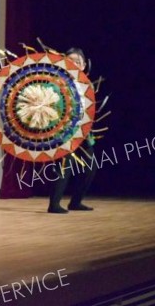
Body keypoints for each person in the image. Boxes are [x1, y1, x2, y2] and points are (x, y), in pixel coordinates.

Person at [48, 47, 96, 214]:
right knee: (63, 167)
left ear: (83, 65)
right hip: (64, 132)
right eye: (70, 61)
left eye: (77, 62)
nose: (74, 64)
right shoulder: (57, 82)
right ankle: (54, 204)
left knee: (90, 167)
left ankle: (76, 202)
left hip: (83, 132)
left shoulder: (87, 84)